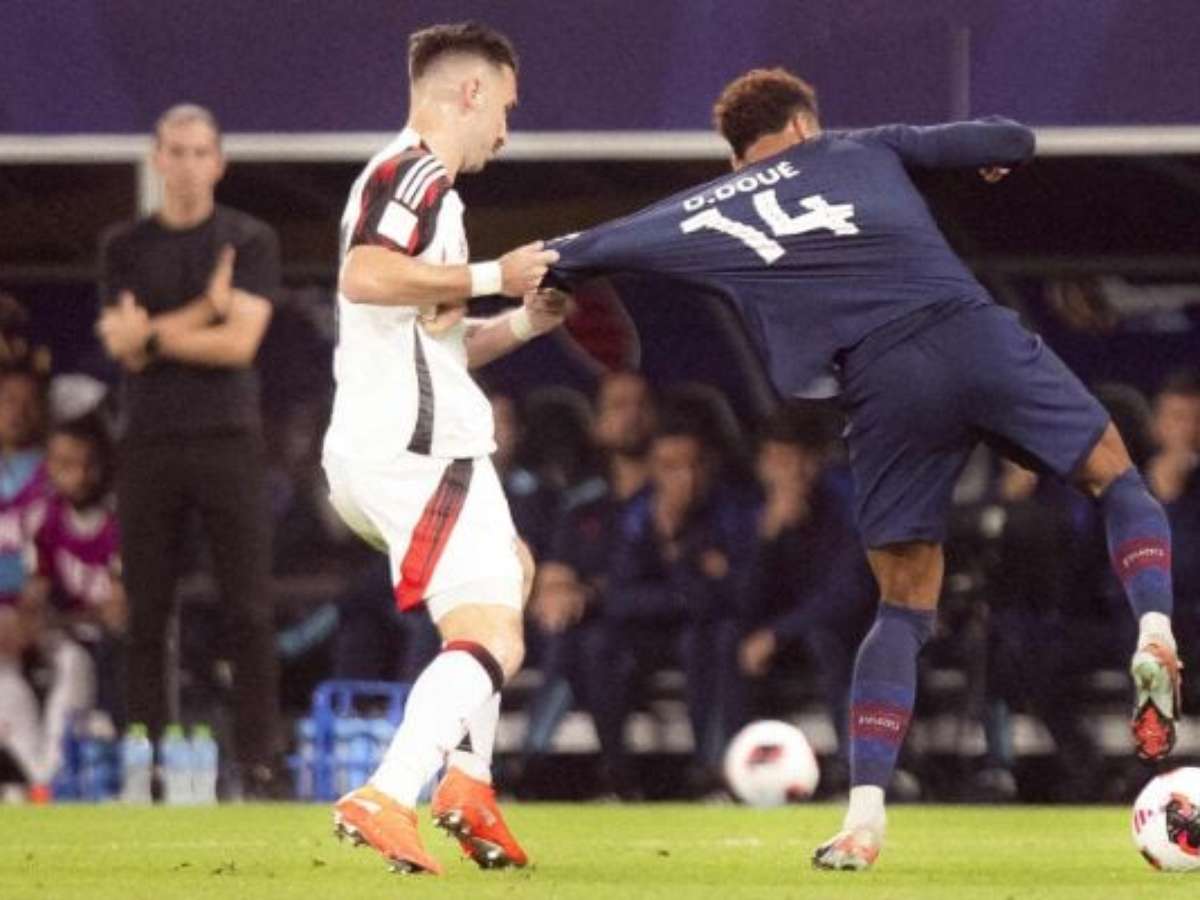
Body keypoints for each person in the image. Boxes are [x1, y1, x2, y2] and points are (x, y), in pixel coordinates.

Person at [547, 68, 1182, 869]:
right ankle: (1153, 627)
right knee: (1117, 479)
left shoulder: (704, 207)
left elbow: (594, 245)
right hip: (970, 334)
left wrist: (540, 272)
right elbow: (1011, 138)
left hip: (884, 385)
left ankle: (864, 818)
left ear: (739, 152)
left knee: (903, 610)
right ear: (803, 124)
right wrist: (989, 158)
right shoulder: (861, 147)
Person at [321, 22, 564, 875]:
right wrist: (496, 274)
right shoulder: (414, 171)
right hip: (415, 449)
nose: (505, 129)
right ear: (471, 91)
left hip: (399, 441)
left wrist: (526, 320)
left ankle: (469, 782)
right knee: (492, 631)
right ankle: (389, 792)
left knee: (511, 570)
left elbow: (439, 346)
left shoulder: (433, 195)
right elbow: (364, 274)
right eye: (506, 106)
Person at [95, 103, 282, 796]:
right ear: (156, 158)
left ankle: (259, 760)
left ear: (219, 162)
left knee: (248, 609)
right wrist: (206, 309)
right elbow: (122, 348)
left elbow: (240, 344)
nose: (187, 165)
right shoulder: (123, 246)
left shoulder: (248, 239)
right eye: (175, 151)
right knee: (146, 609)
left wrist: (156, 334)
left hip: (228, 438)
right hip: (147, 442)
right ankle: (148, 760)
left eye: (200, 152)